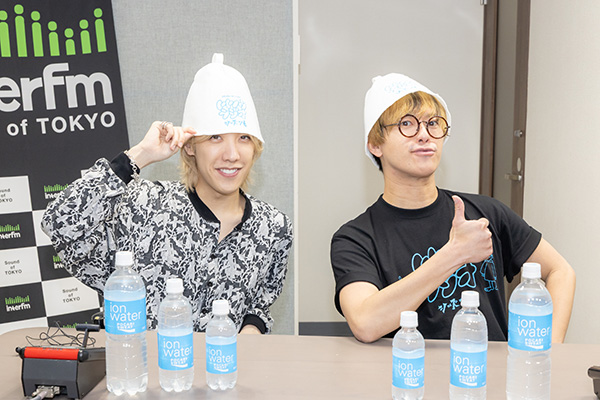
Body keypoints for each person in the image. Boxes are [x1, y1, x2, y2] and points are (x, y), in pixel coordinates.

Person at [42, 53, 293, 334]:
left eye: (244, 138)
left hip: (225, 364)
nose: (232, 155)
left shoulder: (273, 227)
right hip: (141, 362)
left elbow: (259, 304)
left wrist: (252, 329)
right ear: (190, 146)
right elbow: (60, 224)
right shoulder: (143, 207)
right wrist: (140, 155)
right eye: (215, 137)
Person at [330, 73, 575, 343]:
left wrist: (549, 350)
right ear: (375, 144)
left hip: (488, 369)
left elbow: (560, 271)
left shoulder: (486, 214)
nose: (425, 135)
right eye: (407, 124)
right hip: (407, 368)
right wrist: (455, 254)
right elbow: (365, 323)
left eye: (433, 123)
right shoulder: (356, 238)